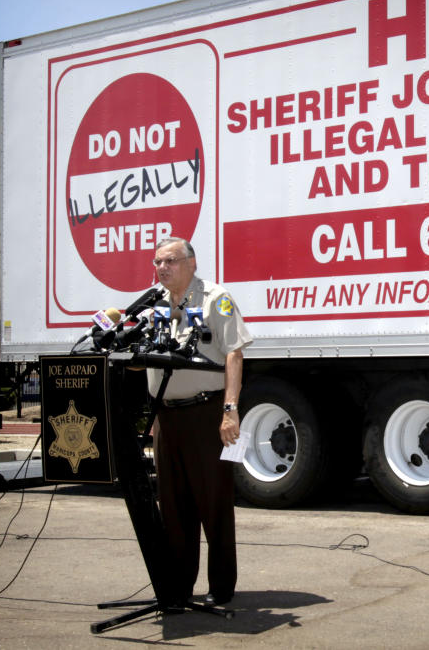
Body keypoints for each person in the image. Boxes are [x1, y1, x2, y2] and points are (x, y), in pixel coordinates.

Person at [147, 236, 252, 607]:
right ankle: (178, 587)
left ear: (191, 263)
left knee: (213, 504)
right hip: (167, 417)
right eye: (157, 261)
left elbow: (234, 354)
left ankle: (221, 589)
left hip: (206, 414)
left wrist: (230, 410)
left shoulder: (214, 298)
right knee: (172, 507)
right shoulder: (154, 304)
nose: (162, 268)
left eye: (170, 261)